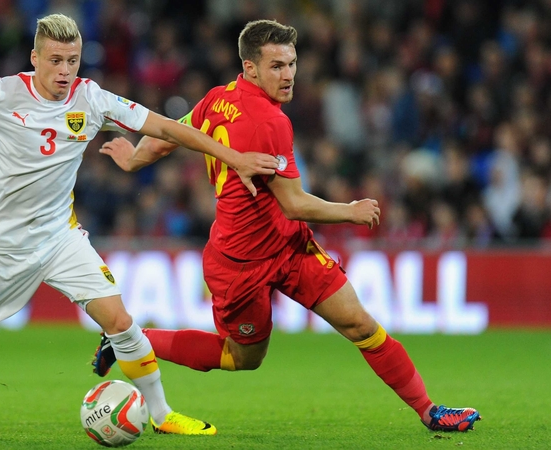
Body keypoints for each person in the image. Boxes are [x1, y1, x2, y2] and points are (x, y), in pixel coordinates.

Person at [0, 13, 280, 435]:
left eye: (73, 61)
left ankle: (161, 414)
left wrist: (234, 157)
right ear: (35, 58)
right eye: (56, 60)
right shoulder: (1, 95)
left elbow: (168, 128)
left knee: (119, 321)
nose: (64, 71)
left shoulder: (91, 99)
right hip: (2, 246)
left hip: (61, 238)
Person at [92, 19, 481, 433]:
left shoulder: (216, 98)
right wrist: (350, 211)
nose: (289, 74)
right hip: (239, 263)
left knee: (360, 324)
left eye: (292, 63)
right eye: (276, 65)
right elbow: (294, 203)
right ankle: (134, 339)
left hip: (288, 248)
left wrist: (134, 159)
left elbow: (171, 135)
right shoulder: (269, 122)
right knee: (244, 358)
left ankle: (429, 410)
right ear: (250, 67)